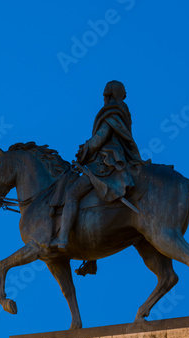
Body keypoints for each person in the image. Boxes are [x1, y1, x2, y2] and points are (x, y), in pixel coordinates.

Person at [50, 80, 142, 251]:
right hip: (111, 160)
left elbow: (100, 138)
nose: (104, 98)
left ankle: (62, 238)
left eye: (106, 94)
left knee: (71, 194)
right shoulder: (123, 112)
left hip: (105, 163)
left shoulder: (112, 112)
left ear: (110, 94)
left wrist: (85, 149)